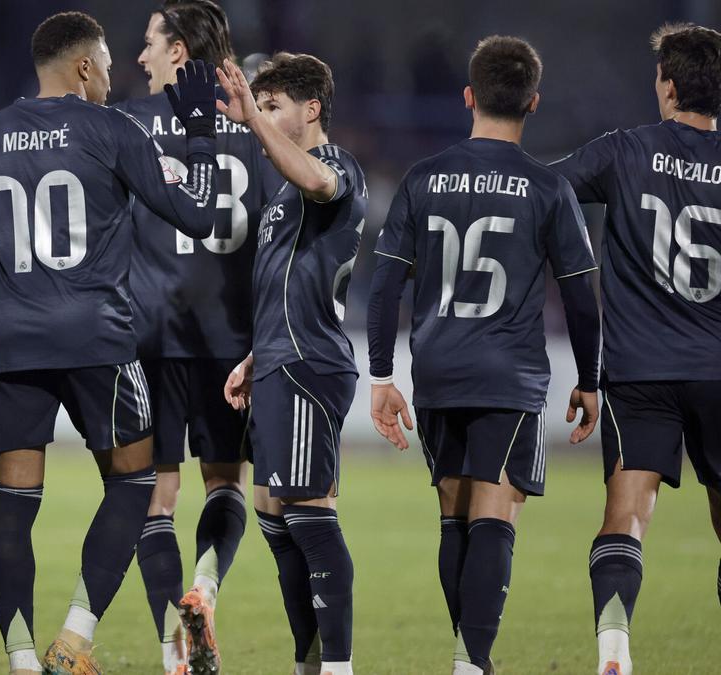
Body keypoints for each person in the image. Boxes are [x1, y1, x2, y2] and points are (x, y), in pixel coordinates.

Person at [0, 10, 219, 674]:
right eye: (110, 65)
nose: (115, 77)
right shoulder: (113, 130)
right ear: (84, 66)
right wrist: (200, 136)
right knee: (133, 482)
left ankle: (24, 659)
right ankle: (75, 636)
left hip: (10, 344)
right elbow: (199, 214)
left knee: (11, 506)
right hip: (99, 340)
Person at [365, 36, 602, 675]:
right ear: (533, 101)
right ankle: (472, 662)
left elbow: (386, 283)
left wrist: (382, 374)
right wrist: (591, 379)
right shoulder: (549, 189)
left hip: (438, 368)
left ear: (468, 96)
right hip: (509, 372)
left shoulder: (422, 178)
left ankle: (468, 659)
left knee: (454, 513)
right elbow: (582, 295)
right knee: (496, 512)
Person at [549, 22, 721, 675]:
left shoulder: (626, 151)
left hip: (639, 369)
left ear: (668, 86)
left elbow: (548, 189)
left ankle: (614, 648)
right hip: (718, 369)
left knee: (625, 516)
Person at [119, 4, 274, 671]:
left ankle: (173, 651)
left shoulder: (128, 123)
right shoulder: (258, 125)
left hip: (148, 332)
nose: (140, 57)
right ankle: (205, 589)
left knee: (155, 492)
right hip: (232, 336)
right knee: (225, 484)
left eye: (149, 43)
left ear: (178, 50)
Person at [218, 52, 367, 675]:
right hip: (281, 358)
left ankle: (336, 666)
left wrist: (252, 119)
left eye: (275, 105)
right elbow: (289, 281)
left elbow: (318, 181)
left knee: (309, 514)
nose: (265, 118)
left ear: (312, 110)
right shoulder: (287, 188)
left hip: (309, 363)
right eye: (262, 105)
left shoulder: (334, 167)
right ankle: (308, 662)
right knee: (275, 517)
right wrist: (257, 353)